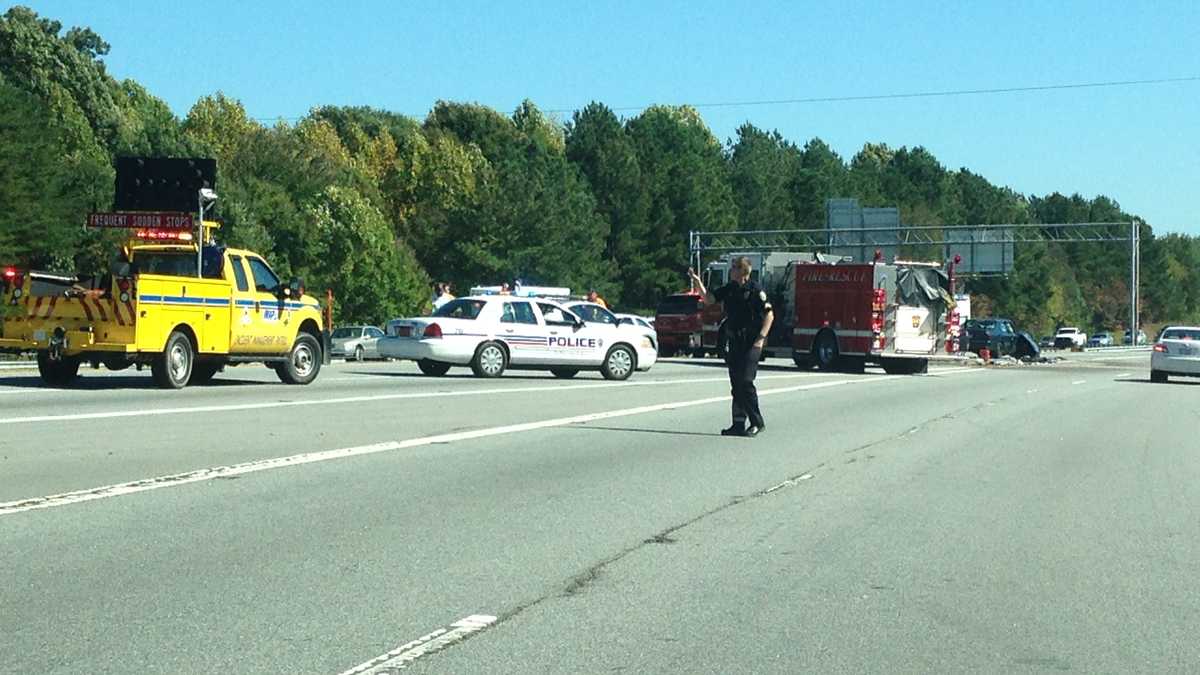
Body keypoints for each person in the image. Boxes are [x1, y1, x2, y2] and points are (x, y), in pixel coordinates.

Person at [689, 258, 773, 437]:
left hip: (752, 343)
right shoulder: (730, 289)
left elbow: (769, 315)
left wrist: (761, 338)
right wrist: (698, 283)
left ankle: (757, 422)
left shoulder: (755, 290)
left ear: (744, 271)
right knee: (736, 384)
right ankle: (738, 424)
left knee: (746, 382)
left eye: (735, 267)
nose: (731, 270)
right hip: (734, 341)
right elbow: (709, 299)